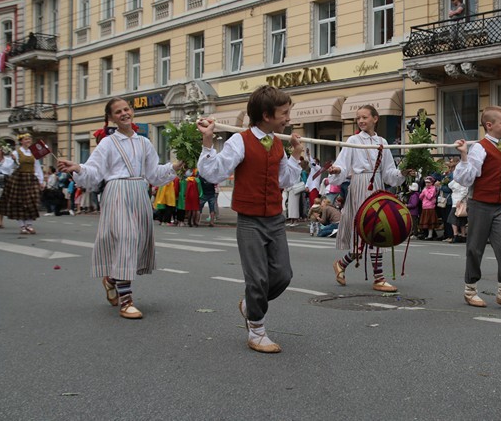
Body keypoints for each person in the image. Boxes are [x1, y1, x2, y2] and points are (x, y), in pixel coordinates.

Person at [196, 85, 303, 354]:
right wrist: (208, 142)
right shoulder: (238, 141)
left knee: (282, 275)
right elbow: (213, 173)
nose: (288, 118)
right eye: (284, 113)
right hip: (250, 220)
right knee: (257, 279)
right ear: (267, 115)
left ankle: (248, 304)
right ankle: (257, 330)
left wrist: (296, 155)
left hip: (275, 218)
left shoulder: (278, 142)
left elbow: (285, 180)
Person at [58, 98, 182, 320]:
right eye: (118, 111)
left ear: (132, 112)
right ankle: (126, 300)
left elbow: (153, 173)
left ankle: (111, 280)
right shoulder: (107, 143)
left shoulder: (145, 142)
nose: (124, 113)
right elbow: (95, 172)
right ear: (112, 117)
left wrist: (175, 166)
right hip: (117, 193)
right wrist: (78, 167)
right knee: (125, 240)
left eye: (126, 109)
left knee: (136, 242)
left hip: (139, 193)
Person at [329, 105, 410, 293]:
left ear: (375, 118)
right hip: (359, 185)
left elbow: (389, 172)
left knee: (375, 229)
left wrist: (402, 172)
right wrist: (337, 170)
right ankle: (378, 278)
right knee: (368, 230)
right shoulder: (353, 140)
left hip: (377, 186)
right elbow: (342, 163)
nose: (361, 121)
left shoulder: (382, 141)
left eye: (364, 117)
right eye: (358, 118)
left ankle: (342, 264)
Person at [454, 106, 501, 311]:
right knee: (475, 249)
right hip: (480, 205)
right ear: (489, 125)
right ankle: (470, 290)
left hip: (499, 206)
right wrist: (464, 156)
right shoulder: (479, 148)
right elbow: (466, 178)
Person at [0, 133, 44, 234]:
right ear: (21, 141)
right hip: (19, 179)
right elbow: (10, 168)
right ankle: (22, 226)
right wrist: (14, 161)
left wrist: (41, 181)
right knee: (20, 203)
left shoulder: (34, 152)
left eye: (29, 139)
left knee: (32, 201)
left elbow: (37, 167)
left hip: (31, 178)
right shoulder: (16, 152)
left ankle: (29, 224)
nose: (29, 141)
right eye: (26, 139)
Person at [0, 146, 16, 228]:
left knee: (2, 202)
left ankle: (0, 220)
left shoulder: (8, 160)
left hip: (6, 181)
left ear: (2, 151)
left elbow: (15, 166)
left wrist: (14, 159)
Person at [418, 176, 440, 240]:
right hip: (424, 206)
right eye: (426, 183)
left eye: (429, 182)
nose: (427, 184)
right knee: (425, 222)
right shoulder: (425, 189)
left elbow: (429, 197)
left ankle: (430, 235)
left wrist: (425, 191)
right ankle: (426, 234)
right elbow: (420, 197)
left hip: (430, 207)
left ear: (432, 183)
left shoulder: (433, 189)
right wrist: (423, 192)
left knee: (430, 222)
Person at [448, 177, 468, 243]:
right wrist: (455, 179)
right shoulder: (456, 181)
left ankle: (456, 235)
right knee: (460, 219)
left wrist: (459, 200)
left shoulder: (464, 182)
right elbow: (450, 185)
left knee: (453, 219)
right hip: (455, 201)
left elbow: (465, 191)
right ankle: (462, 236)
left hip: (459, 202)